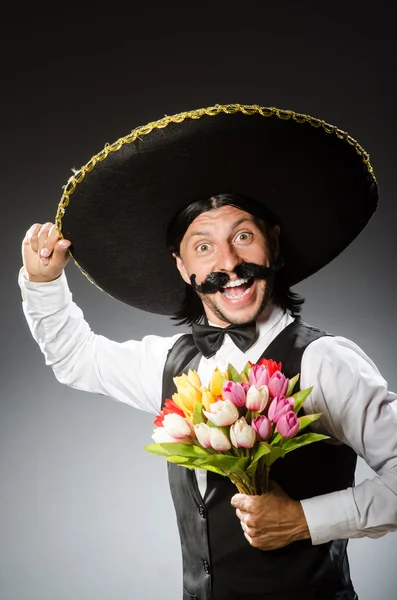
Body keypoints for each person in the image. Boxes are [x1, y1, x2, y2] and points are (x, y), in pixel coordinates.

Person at [19, 104, 397, 600]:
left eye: (243, 236)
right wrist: (43, 283)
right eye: (204, 247)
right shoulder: (173, 364)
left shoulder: (326, 362)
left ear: (273, 245)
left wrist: (306, 520)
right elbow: (75, 359)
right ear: (182, 268)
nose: (230, 264)